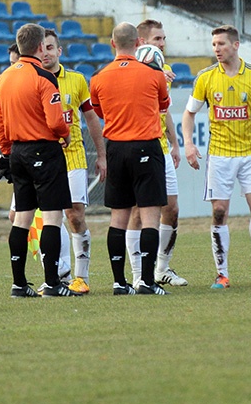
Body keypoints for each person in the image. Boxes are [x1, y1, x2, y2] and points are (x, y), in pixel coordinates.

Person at [183, 25, 251, 289]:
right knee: (220, 211)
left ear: (235, 45)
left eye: (221, 44)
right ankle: (222, 273)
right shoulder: (205, 77)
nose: (216, 49)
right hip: (219, 155)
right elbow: (189, 114)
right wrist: (189, 144)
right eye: (214, 45)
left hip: (249, 154)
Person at [0, 23, 82, 298]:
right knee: (52, 218)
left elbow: (0, 121)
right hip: (44, 150)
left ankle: (19, 284)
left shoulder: (4, 78)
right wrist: (64, 135)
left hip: (18, 152)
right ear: (39, 46)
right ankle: (53, 283)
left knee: (22, 218)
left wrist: (7, 152)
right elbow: (56, 120)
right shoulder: (44, 77)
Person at [90, 22, 171, 296]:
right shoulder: (154, 75)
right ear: (138, 42)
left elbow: (99, 111)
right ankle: (147, 281)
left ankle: (118, 282)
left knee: (118, 219)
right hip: (146, 146)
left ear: (112, 43)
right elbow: (162, 105)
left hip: (116, 149)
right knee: (150, 215)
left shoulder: (98, 77)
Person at [38, 28, 107, 293]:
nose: (46, 53)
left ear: (59, 51)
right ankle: (56, 275)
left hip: (73, 155)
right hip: (45, 158)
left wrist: (101, 156)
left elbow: (91, 119)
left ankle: (82, 277)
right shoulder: (34, 80)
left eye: (50, 47)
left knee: (75, 215)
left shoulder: (77, 80)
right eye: (41, 48)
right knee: (50, 219)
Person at [125, 19, 187, 288]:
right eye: (156, 40)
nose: (162, 44)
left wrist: (175, 143)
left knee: (171, 209)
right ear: (141, 44)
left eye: (163, 39)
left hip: (161, 147)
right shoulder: (130, 72)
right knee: (139, 212)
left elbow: (164, 110)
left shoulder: (166, 70)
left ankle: (162, 268)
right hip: (139, 147)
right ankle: (139, 274)